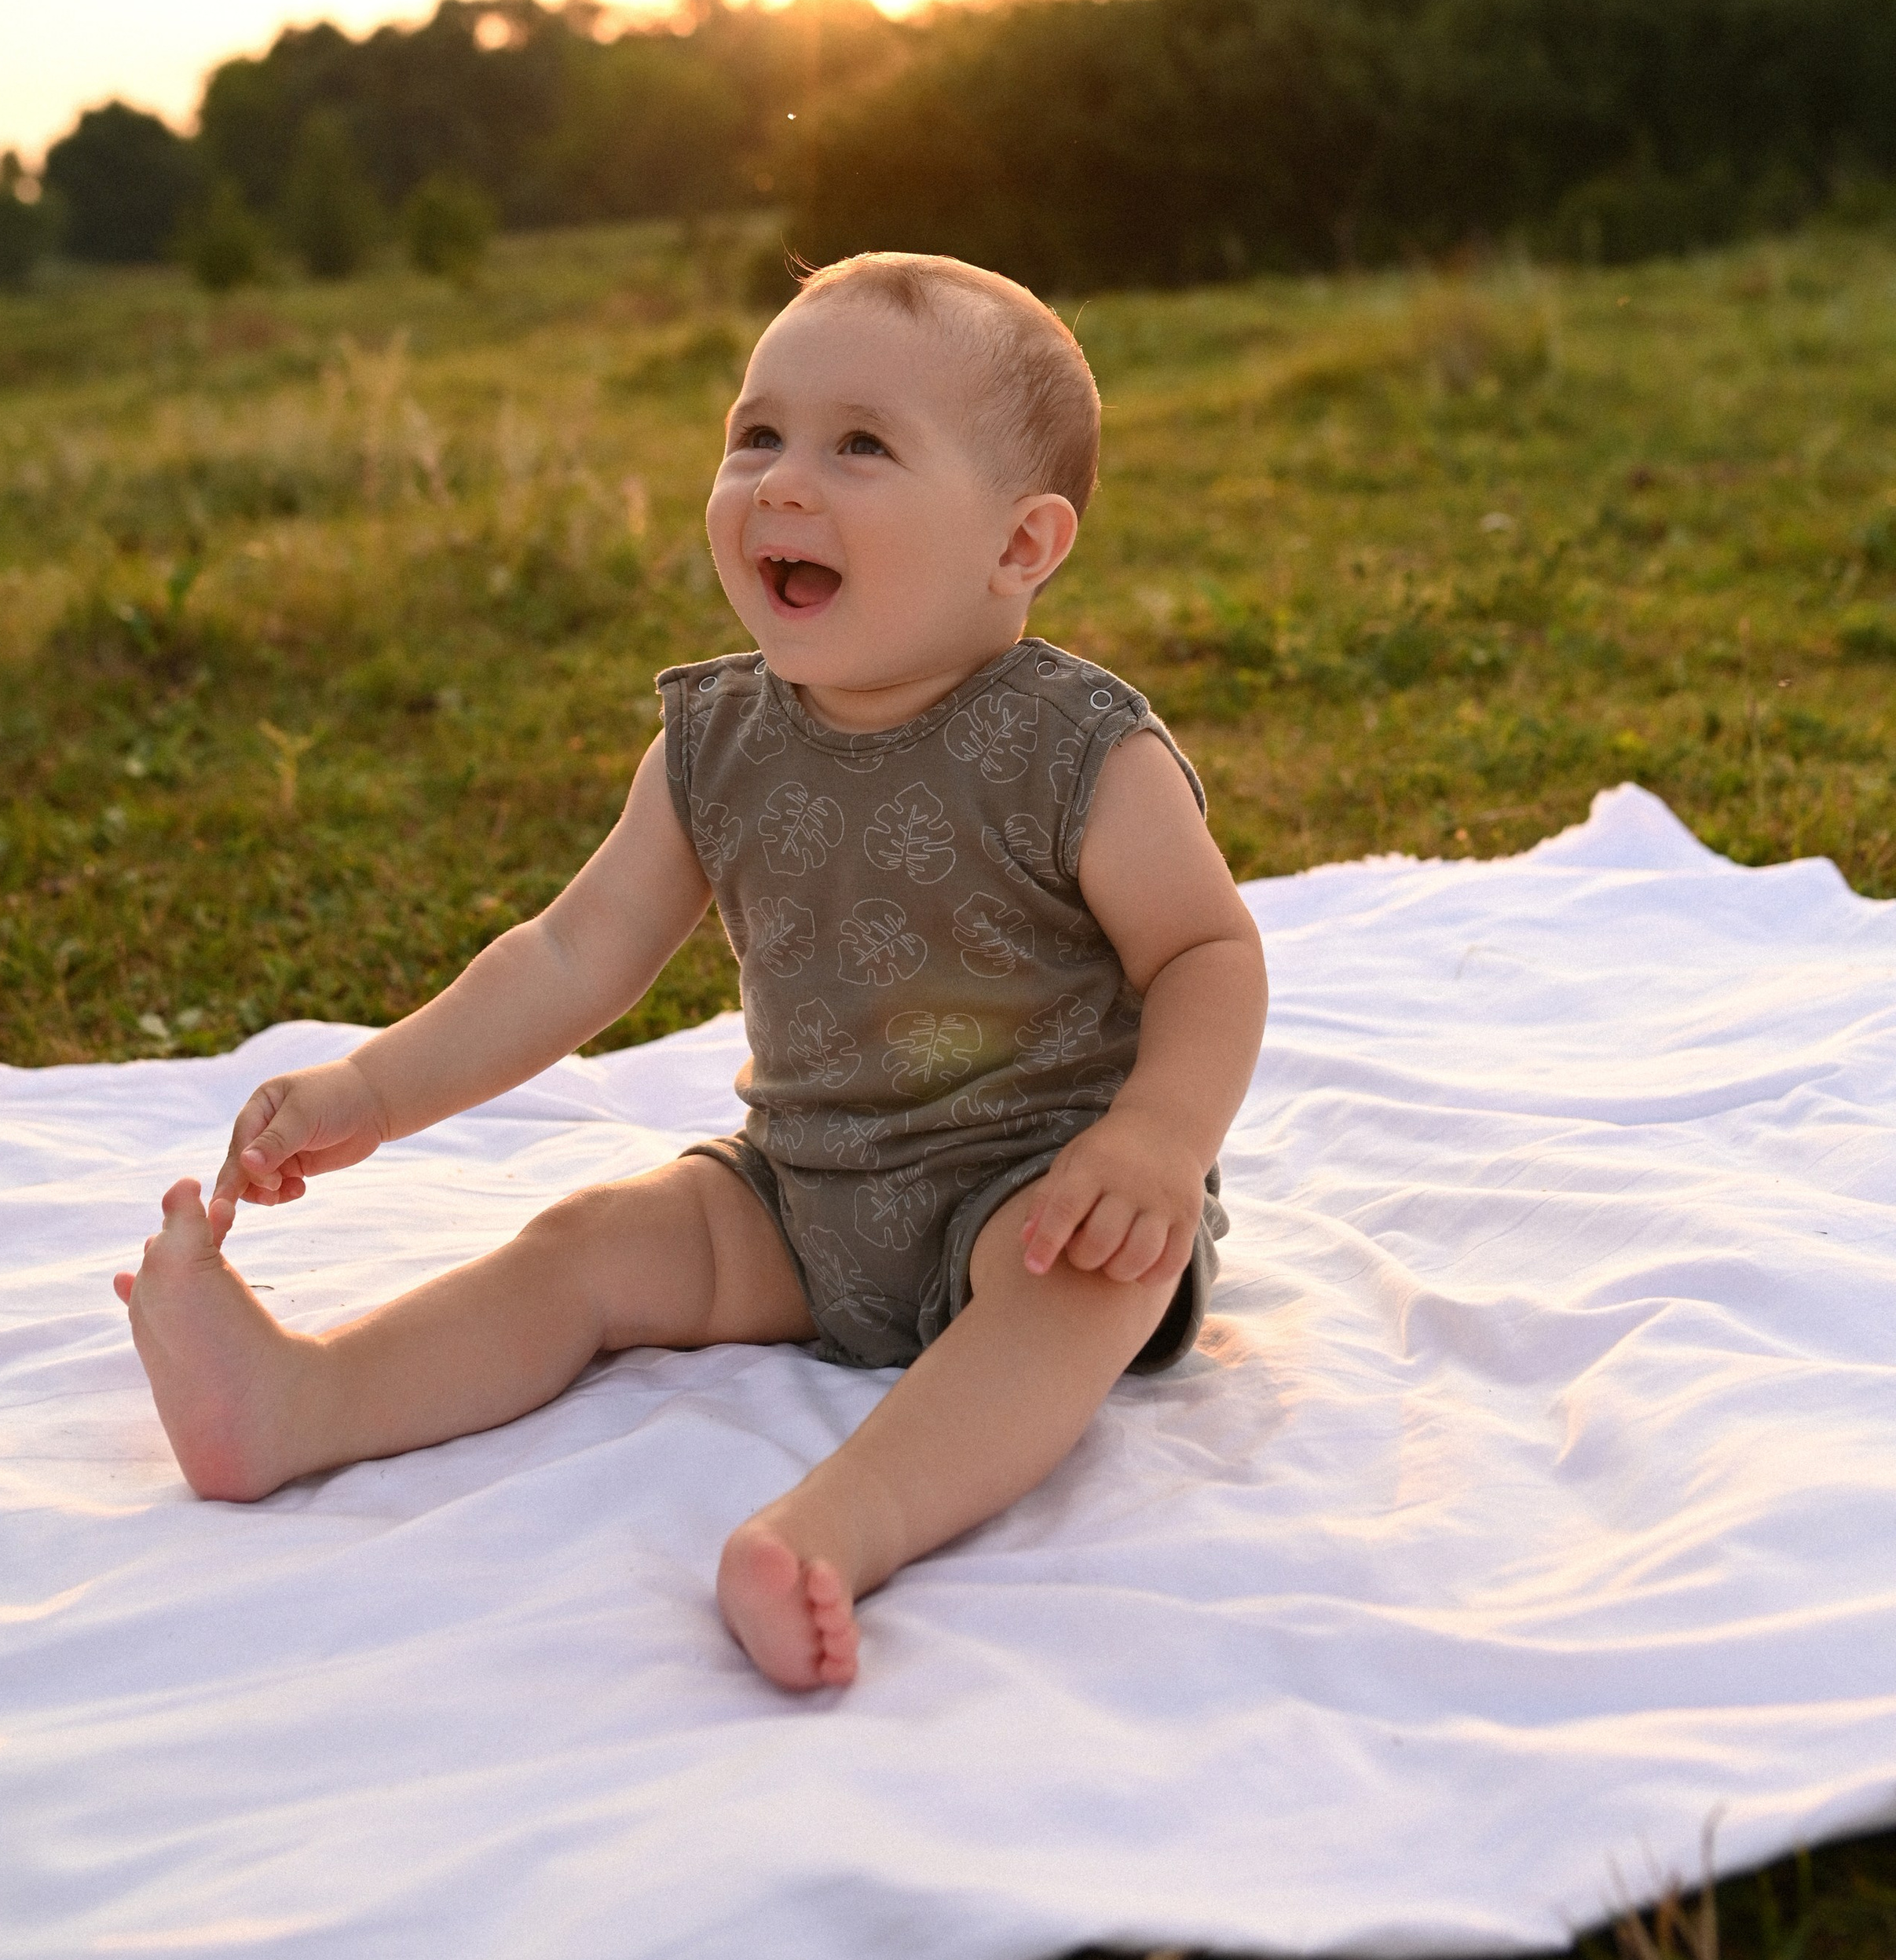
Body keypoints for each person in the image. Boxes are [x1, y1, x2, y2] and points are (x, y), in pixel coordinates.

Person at [114, 251, 1268, 1691]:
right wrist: (373, 1085)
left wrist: (1156, 1143)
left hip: (1036, 1186)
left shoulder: (1076, 748)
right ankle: (302, 1402)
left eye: (861, 444)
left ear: (1021, 546)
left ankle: (839, 1525)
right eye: (756, 434)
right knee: (590, 1245)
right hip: (798, 1194)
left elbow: (1208, 952)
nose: (783, 481)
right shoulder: (716, 743)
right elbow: (568, 953)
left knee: (1075, 1291)